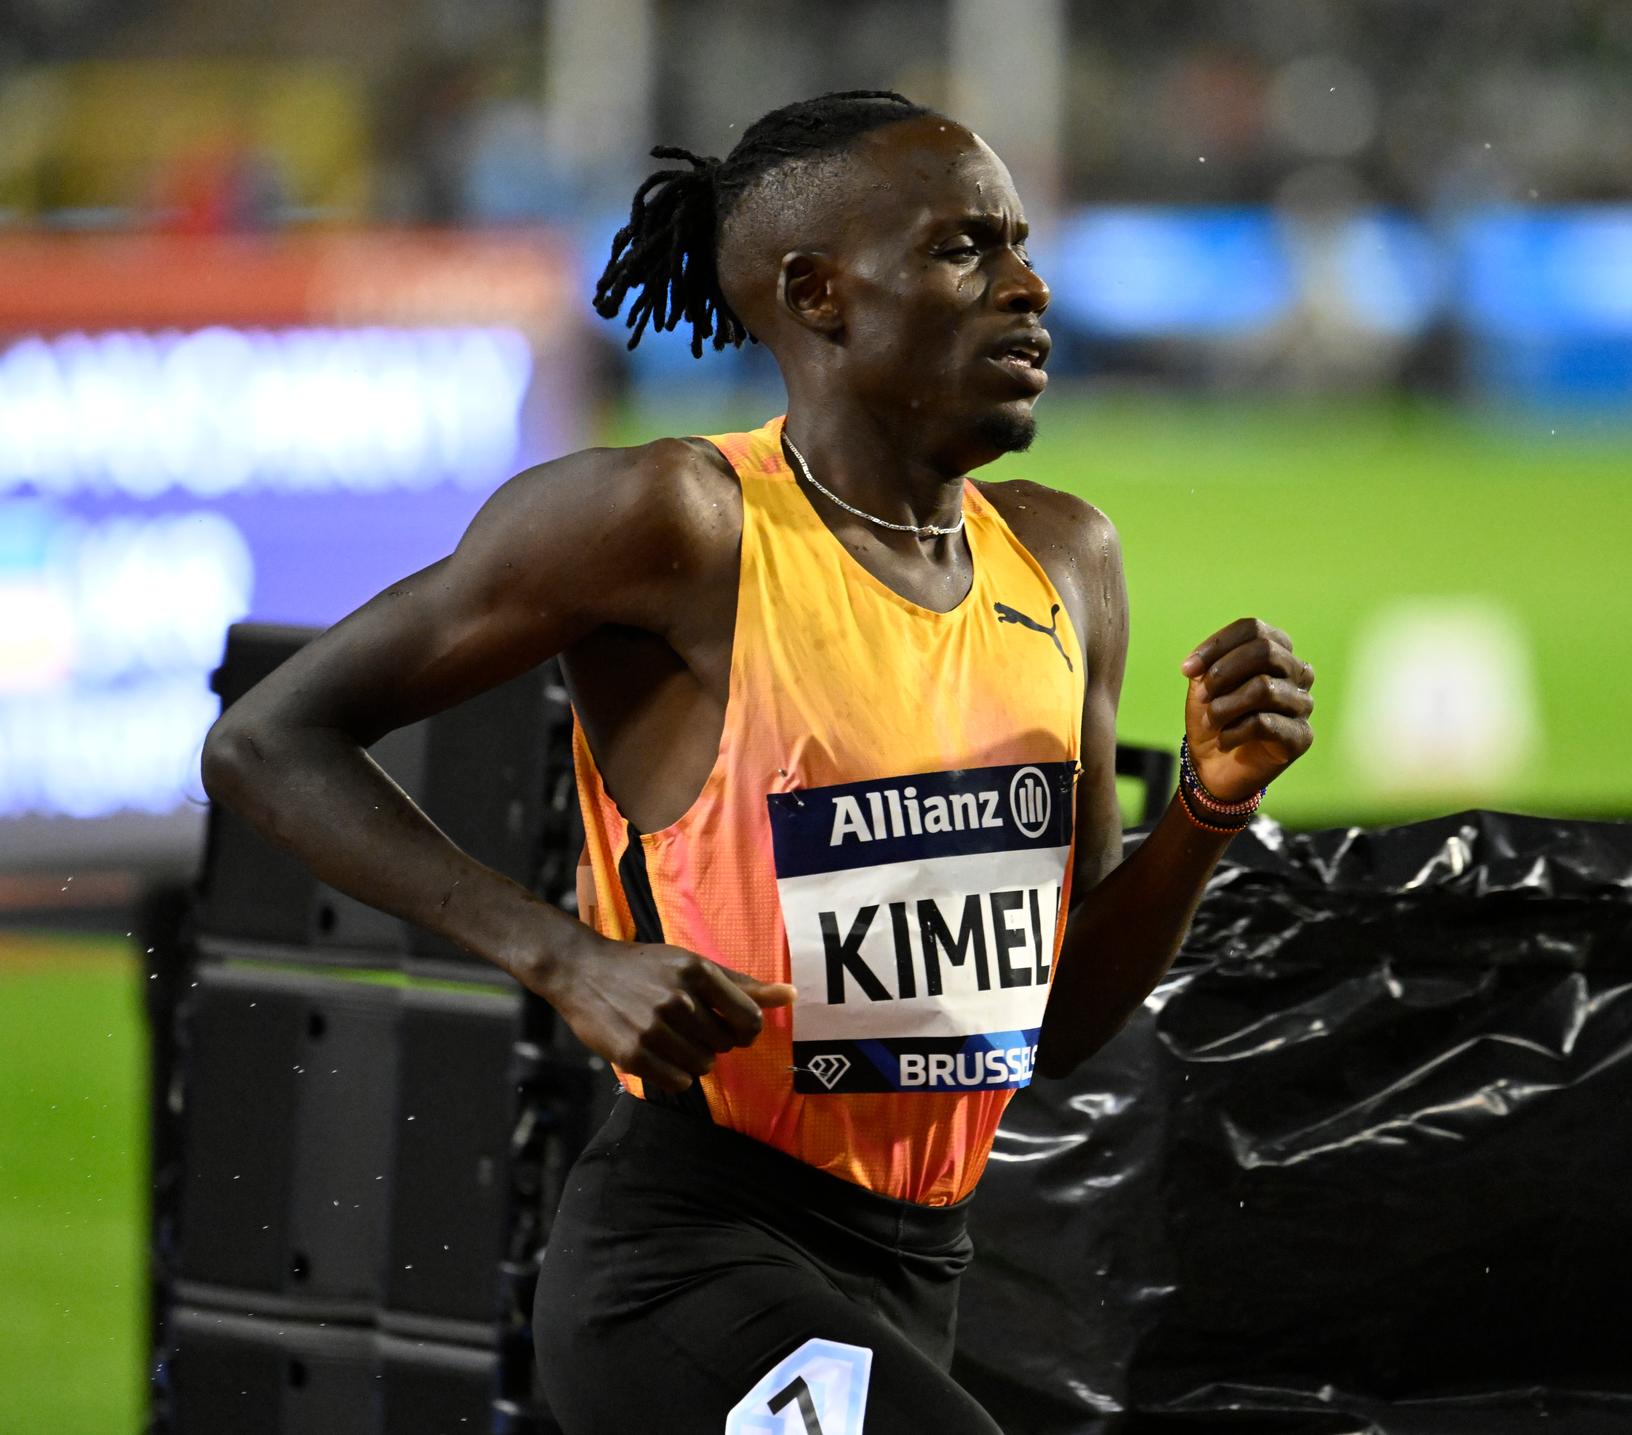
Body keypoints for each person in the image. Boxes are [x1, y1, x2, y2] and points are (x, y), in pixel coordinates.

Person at [199, 89, 1315, 1435]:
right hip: (692, 1260)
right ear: (819, 292)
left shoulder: (1067, 561)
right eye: (968, 248)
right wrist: (563, 956)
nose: (1030, 288)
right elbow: (268, 741)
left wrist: (1206, 804)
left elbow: (1060, 1024)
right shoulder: (670, 524)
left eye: (1020, 243)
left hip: (916, 1270)